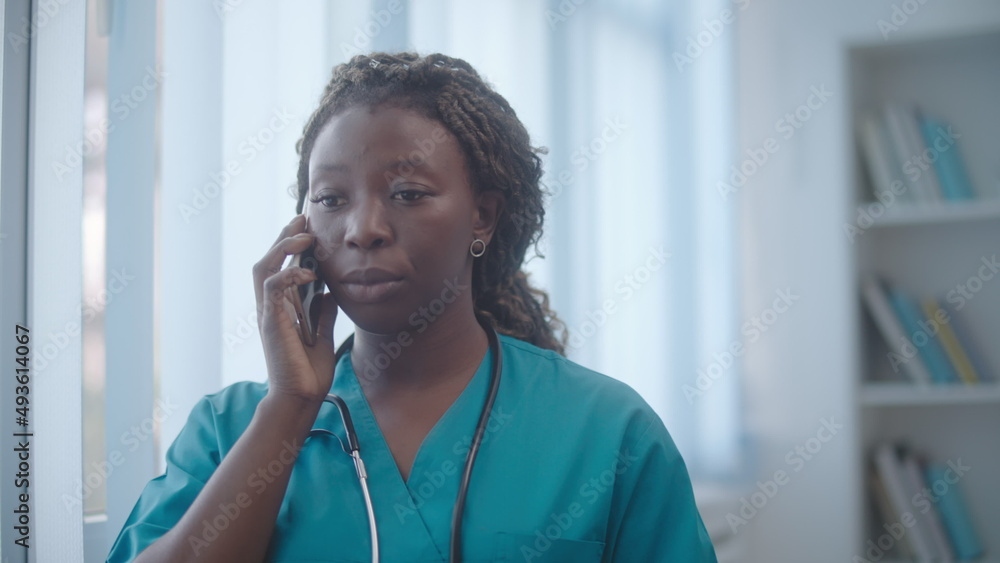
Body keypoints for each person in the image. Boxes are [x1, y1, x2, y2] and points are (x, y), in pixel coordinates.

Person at [107, 51, 717, 562]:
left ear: (483, 215)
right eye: (330, 198)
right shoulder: (230, 429)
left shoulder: (607, 431)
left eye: (408, 193)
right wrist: (290, 409)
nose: (363, 228)